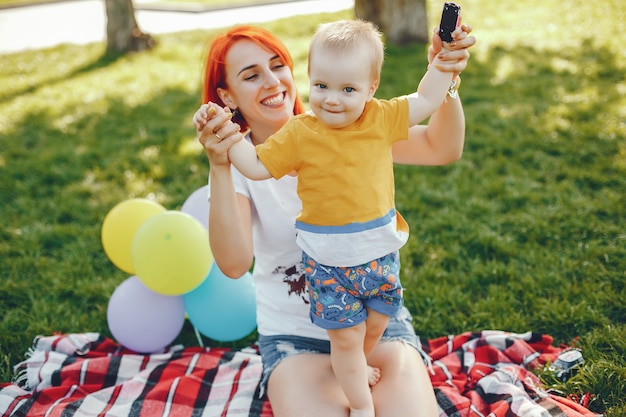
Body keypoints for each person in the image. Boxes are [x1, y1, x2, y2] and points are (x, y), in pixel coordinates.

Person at [193, 19, 475, 417]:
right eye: (251, 75)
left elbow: (441, 147)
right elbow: (234, 264)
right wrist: (221, 160)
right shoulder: (248, 163)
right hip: (296, 338)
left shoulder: (352, 122)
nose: (273, 81)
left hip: (376, 328)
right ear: (227, 95)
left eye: (278, 65)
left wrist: (445, 75)